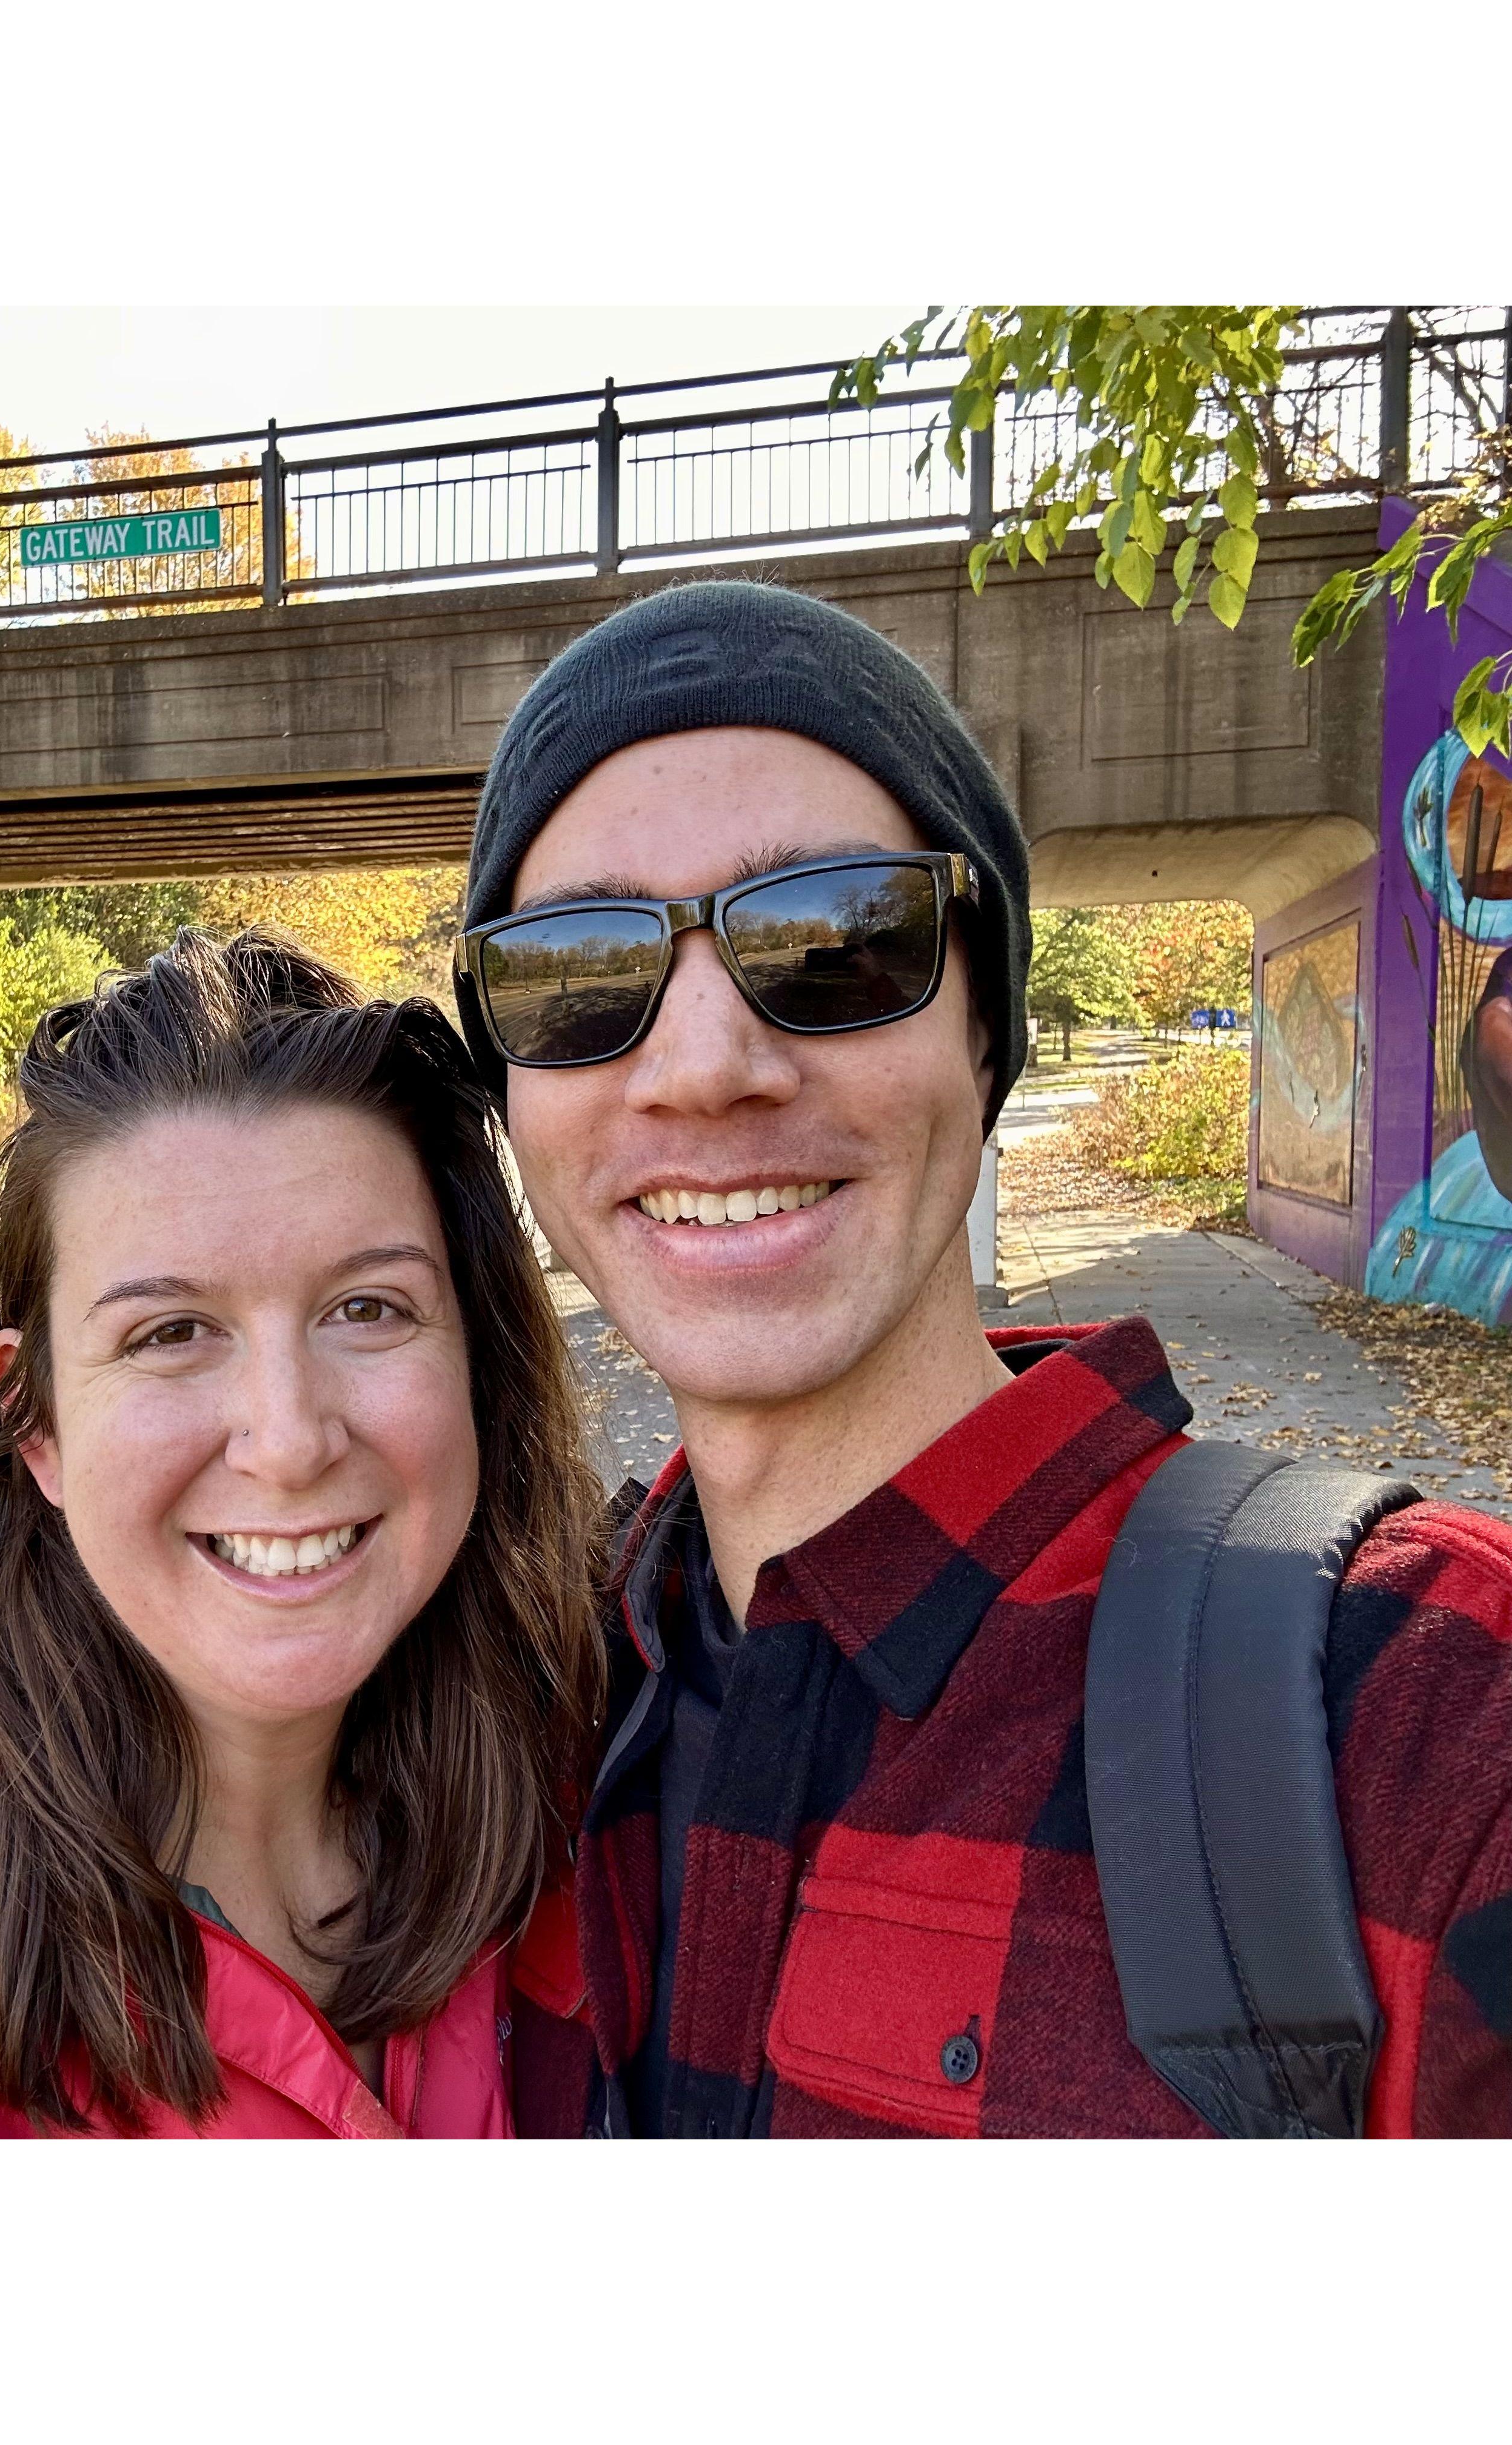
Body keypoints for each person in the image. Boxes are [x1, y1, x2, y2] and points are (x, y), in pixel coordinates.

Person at [456, 579, 1512, 2138]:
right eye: (578, 973)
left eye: (837, 941)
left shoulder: (1427, 1719)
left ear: (985, 1029)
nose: (704, 1068)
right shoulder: (498, 1715)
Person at [0, 930, 600, 2138]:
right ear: (36, 1418)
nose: (288, 1438)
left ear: (479, 1368)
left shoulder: (591, 1795)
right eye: (171, 1333)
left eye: (368, 1309)